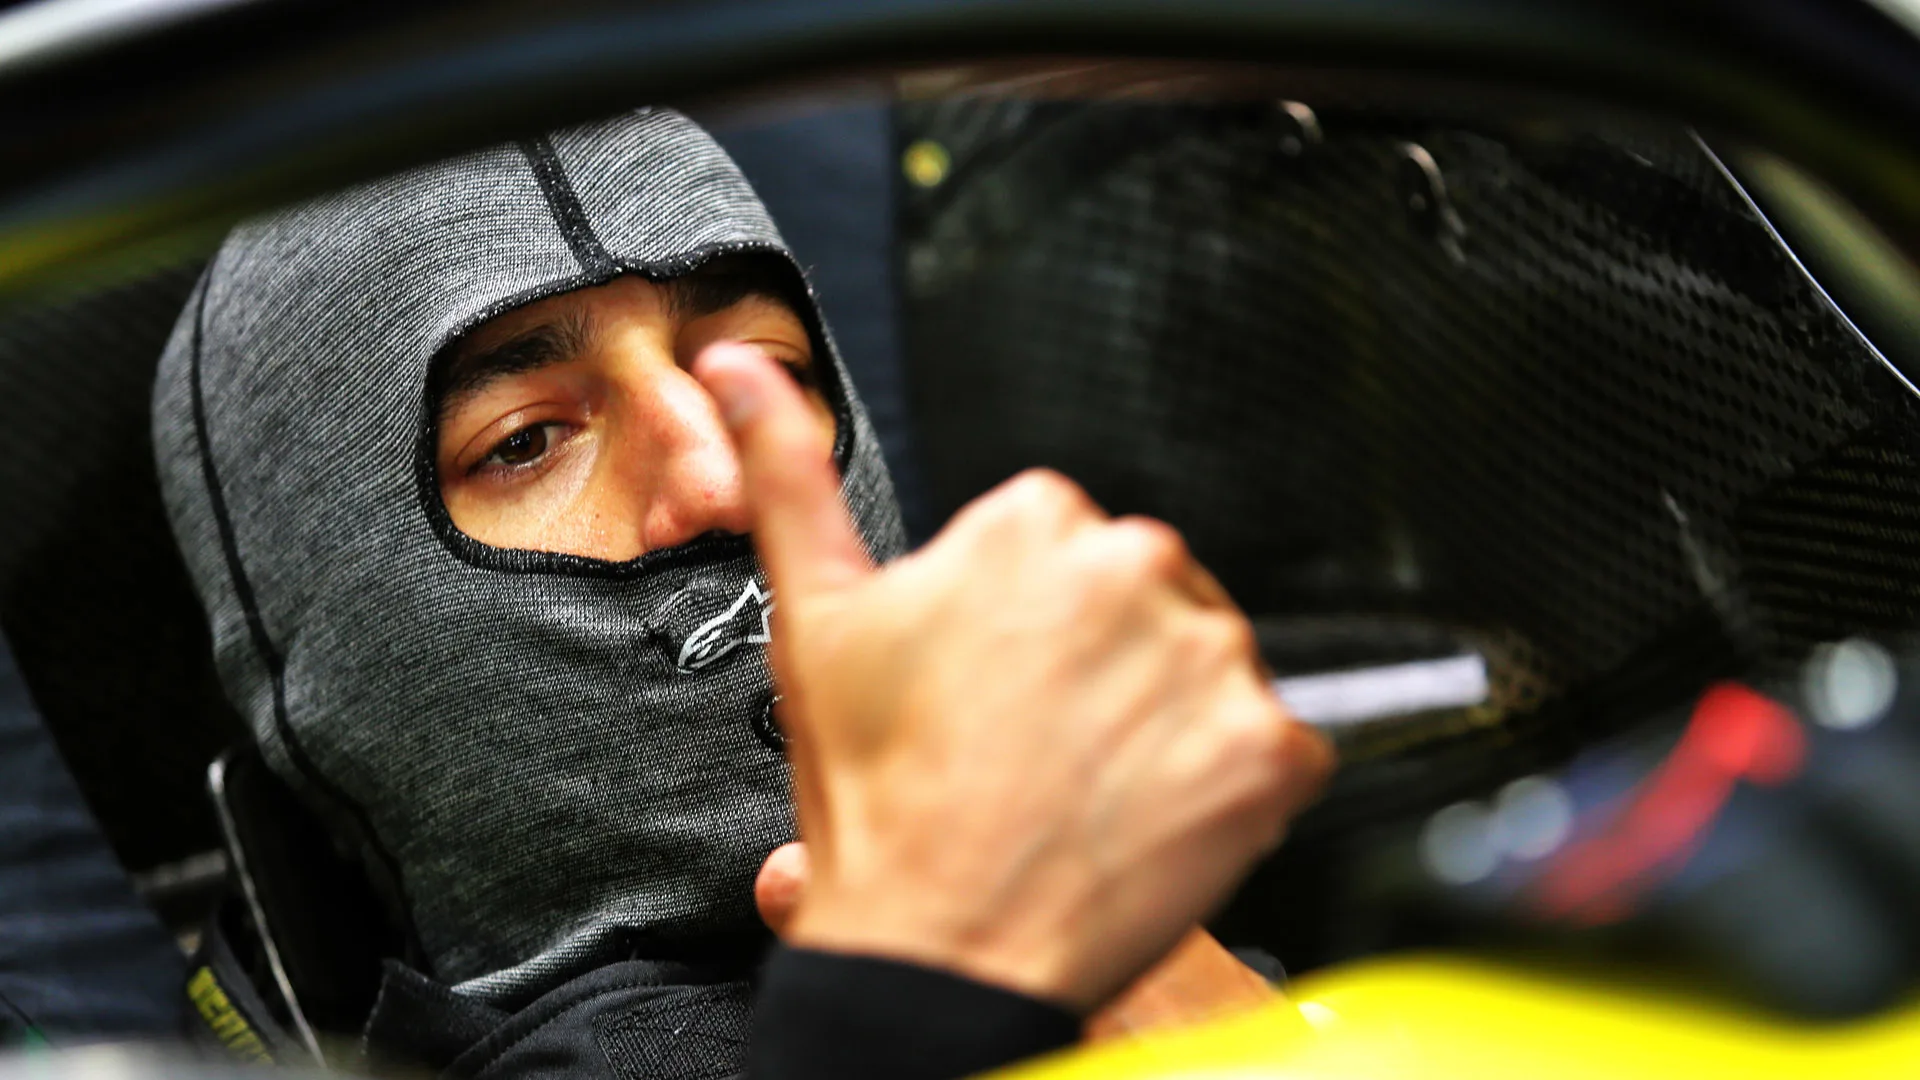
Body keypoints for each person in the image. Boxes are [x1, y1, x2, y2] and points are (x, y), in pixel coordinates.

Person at [152, 107, 1331, 1078]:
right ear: (335, 635)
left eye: (766, 370)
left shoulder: (1129, 882)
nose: (724, 478)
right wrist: (923, 1001)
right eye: (525, 441)